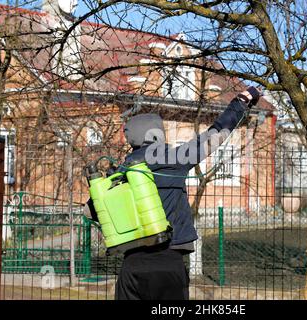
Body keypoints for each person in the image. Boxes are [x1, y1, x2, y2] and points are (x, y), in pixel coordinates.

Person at [85, 86, 262, 300]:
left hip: (131, 266)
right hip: (169, 263)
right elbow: (215, 135)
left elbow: (90, 212)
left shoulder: (120, 174)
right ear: (158, 133)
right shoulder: (175, 158)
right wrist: (242, 101)